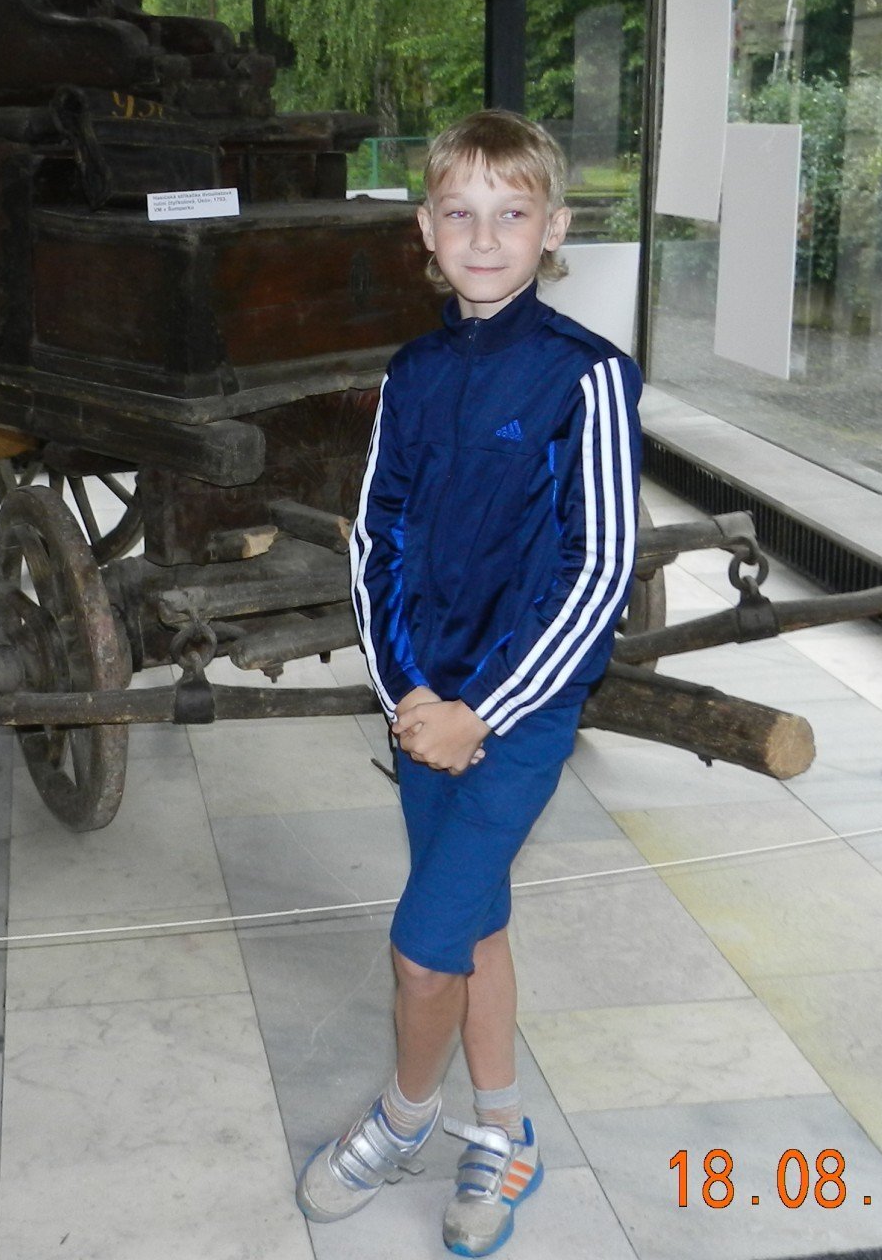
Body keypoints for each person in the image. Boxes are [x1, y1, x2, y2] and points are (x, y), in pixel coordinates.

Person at [296, 109, 642, 1256]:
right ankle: (505, 1130)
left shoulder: (588, 377)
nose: (485, 235)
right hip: (423, 708)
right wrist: (408, 694)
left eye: (512, 212)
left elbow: (599, 569)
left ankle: (405, 1114)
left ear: (555, 228)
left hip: (520, 715)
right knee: (476, 917)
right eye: (461, 213)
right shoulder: (414, 370)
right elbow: (373, 535)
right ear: (426, 233)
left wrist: (481, 710)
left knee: (421, 940)